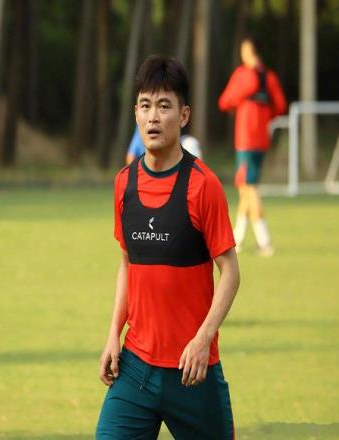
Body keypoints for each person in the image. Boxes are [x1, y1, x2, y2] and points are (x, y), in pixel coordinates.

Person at [96, 55, 240, 440]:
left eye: (164, 106)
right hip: (135, 369)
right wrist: (113, 334)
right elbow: (127, 266)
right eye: (145, 106)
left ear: (184, 115)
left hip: (192, 371)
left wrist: (203, 339)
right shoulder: (123, 184)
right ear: (135, 114)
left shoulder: (203, 186)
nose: (153, 117)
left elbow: (230, 271)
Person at [218, 35, 287, 256]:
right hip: (261, 139)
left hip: (246, 139)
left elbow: (225, 101)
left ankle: (264, 242)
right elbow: (280, 106)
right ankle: (237, 239)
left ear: (249, 50)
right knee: (245, 188)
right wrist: (264, 115)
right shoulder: (270, 77)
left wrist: (242, 102)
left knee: (249, 188)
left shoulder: (243, 75)